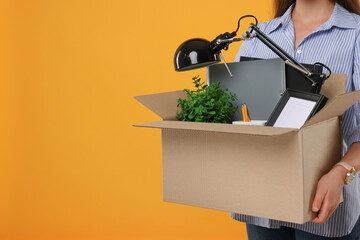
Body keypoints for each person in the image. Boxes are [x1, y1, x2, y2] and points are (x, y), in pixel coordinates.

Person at [231, 0, 360, 239]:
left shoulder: (356, 34)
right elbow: (238, 116)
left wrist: (341, 172)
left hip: (324, 205)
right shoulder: (259, 35)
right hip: (259, 201)